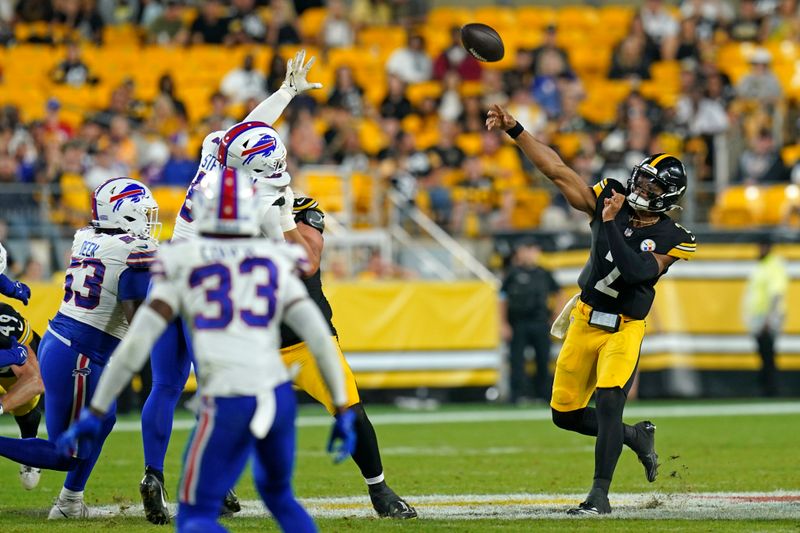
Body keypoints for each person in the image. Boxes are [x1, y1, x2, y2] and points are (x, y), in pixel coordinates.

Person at [57, 167, 357, 533]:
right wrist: (342, 407)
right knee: (280, 498)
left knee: (195, 510)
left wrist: (97, 409)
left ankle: (155, 472)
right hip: (273, 394)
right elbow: (318, 337)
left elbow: (135, 347)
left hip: (229, 400)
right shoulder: (274, 260)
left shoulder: (180, 263)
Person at [137, 50, 321, 524]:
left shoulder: (214, 147)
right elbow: (301, 260)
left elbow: (244, 130)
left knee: (164, 385)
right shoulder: (256, 201)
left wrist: (285, 93)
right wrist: (289, 215)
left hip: (168, 276)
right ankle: (214, 486)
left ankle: (153, 474)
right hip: (206, 291)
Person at [487, 104, 696, 515]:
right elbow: (558, 171)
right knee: (564, 415)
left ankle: (599, 496)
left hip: (624, 327)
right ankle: (636, 437)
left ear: (667, 196)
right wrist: (517, 130)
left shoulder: (673, 235)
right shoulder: (609, 197)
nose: (640, 189)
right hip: (585, 317)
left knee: (608, 402)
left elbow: (636, 271)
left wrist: (612, 222)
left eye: (652, 188)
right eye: (641, 180)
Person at [0, 177, 159, 519]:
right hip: (79, 352)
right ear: (123, 213)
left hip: (70, 343)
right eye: (142, 211)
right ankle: (68, 502)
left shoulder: (86, 236)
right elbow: (137, 320)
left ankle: (70, 502)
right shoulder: (132, 252)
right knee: (65, 453)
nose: (148, 219)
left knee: (105, 419)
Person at [499, 240, 560, 404]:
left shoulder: (544, 273)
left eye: (531, 250)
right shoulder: (512, 273)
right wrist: (503, 323)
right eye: (525, 250)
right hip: (518, 323)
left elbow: (559, 293)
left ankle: (544, 395)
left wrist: (555, 317)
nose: (528, 254)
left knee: (543, 360)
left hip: (540, 322)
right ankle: (516, 395)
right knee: (516, 361)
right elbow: (502, 298)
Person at [0, 303, 45, 490]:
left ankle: (28, 437)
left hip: (13, 372)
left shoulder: (7, 325)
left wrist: (1, 405)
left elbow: (36, 380)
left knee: (25, 407)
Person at [743, 236, 788, 397]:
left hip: (768, 316)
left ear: (768, 248)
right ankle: (767, 387)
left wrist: (769, 318)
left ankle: (771, 389)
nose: (759, 250)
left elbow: (776, 294)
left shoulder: (773, 265)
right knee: (764, 353)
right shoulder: (762, 265)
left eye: (762, 247)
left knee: (767, 354)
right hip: (760, 316)